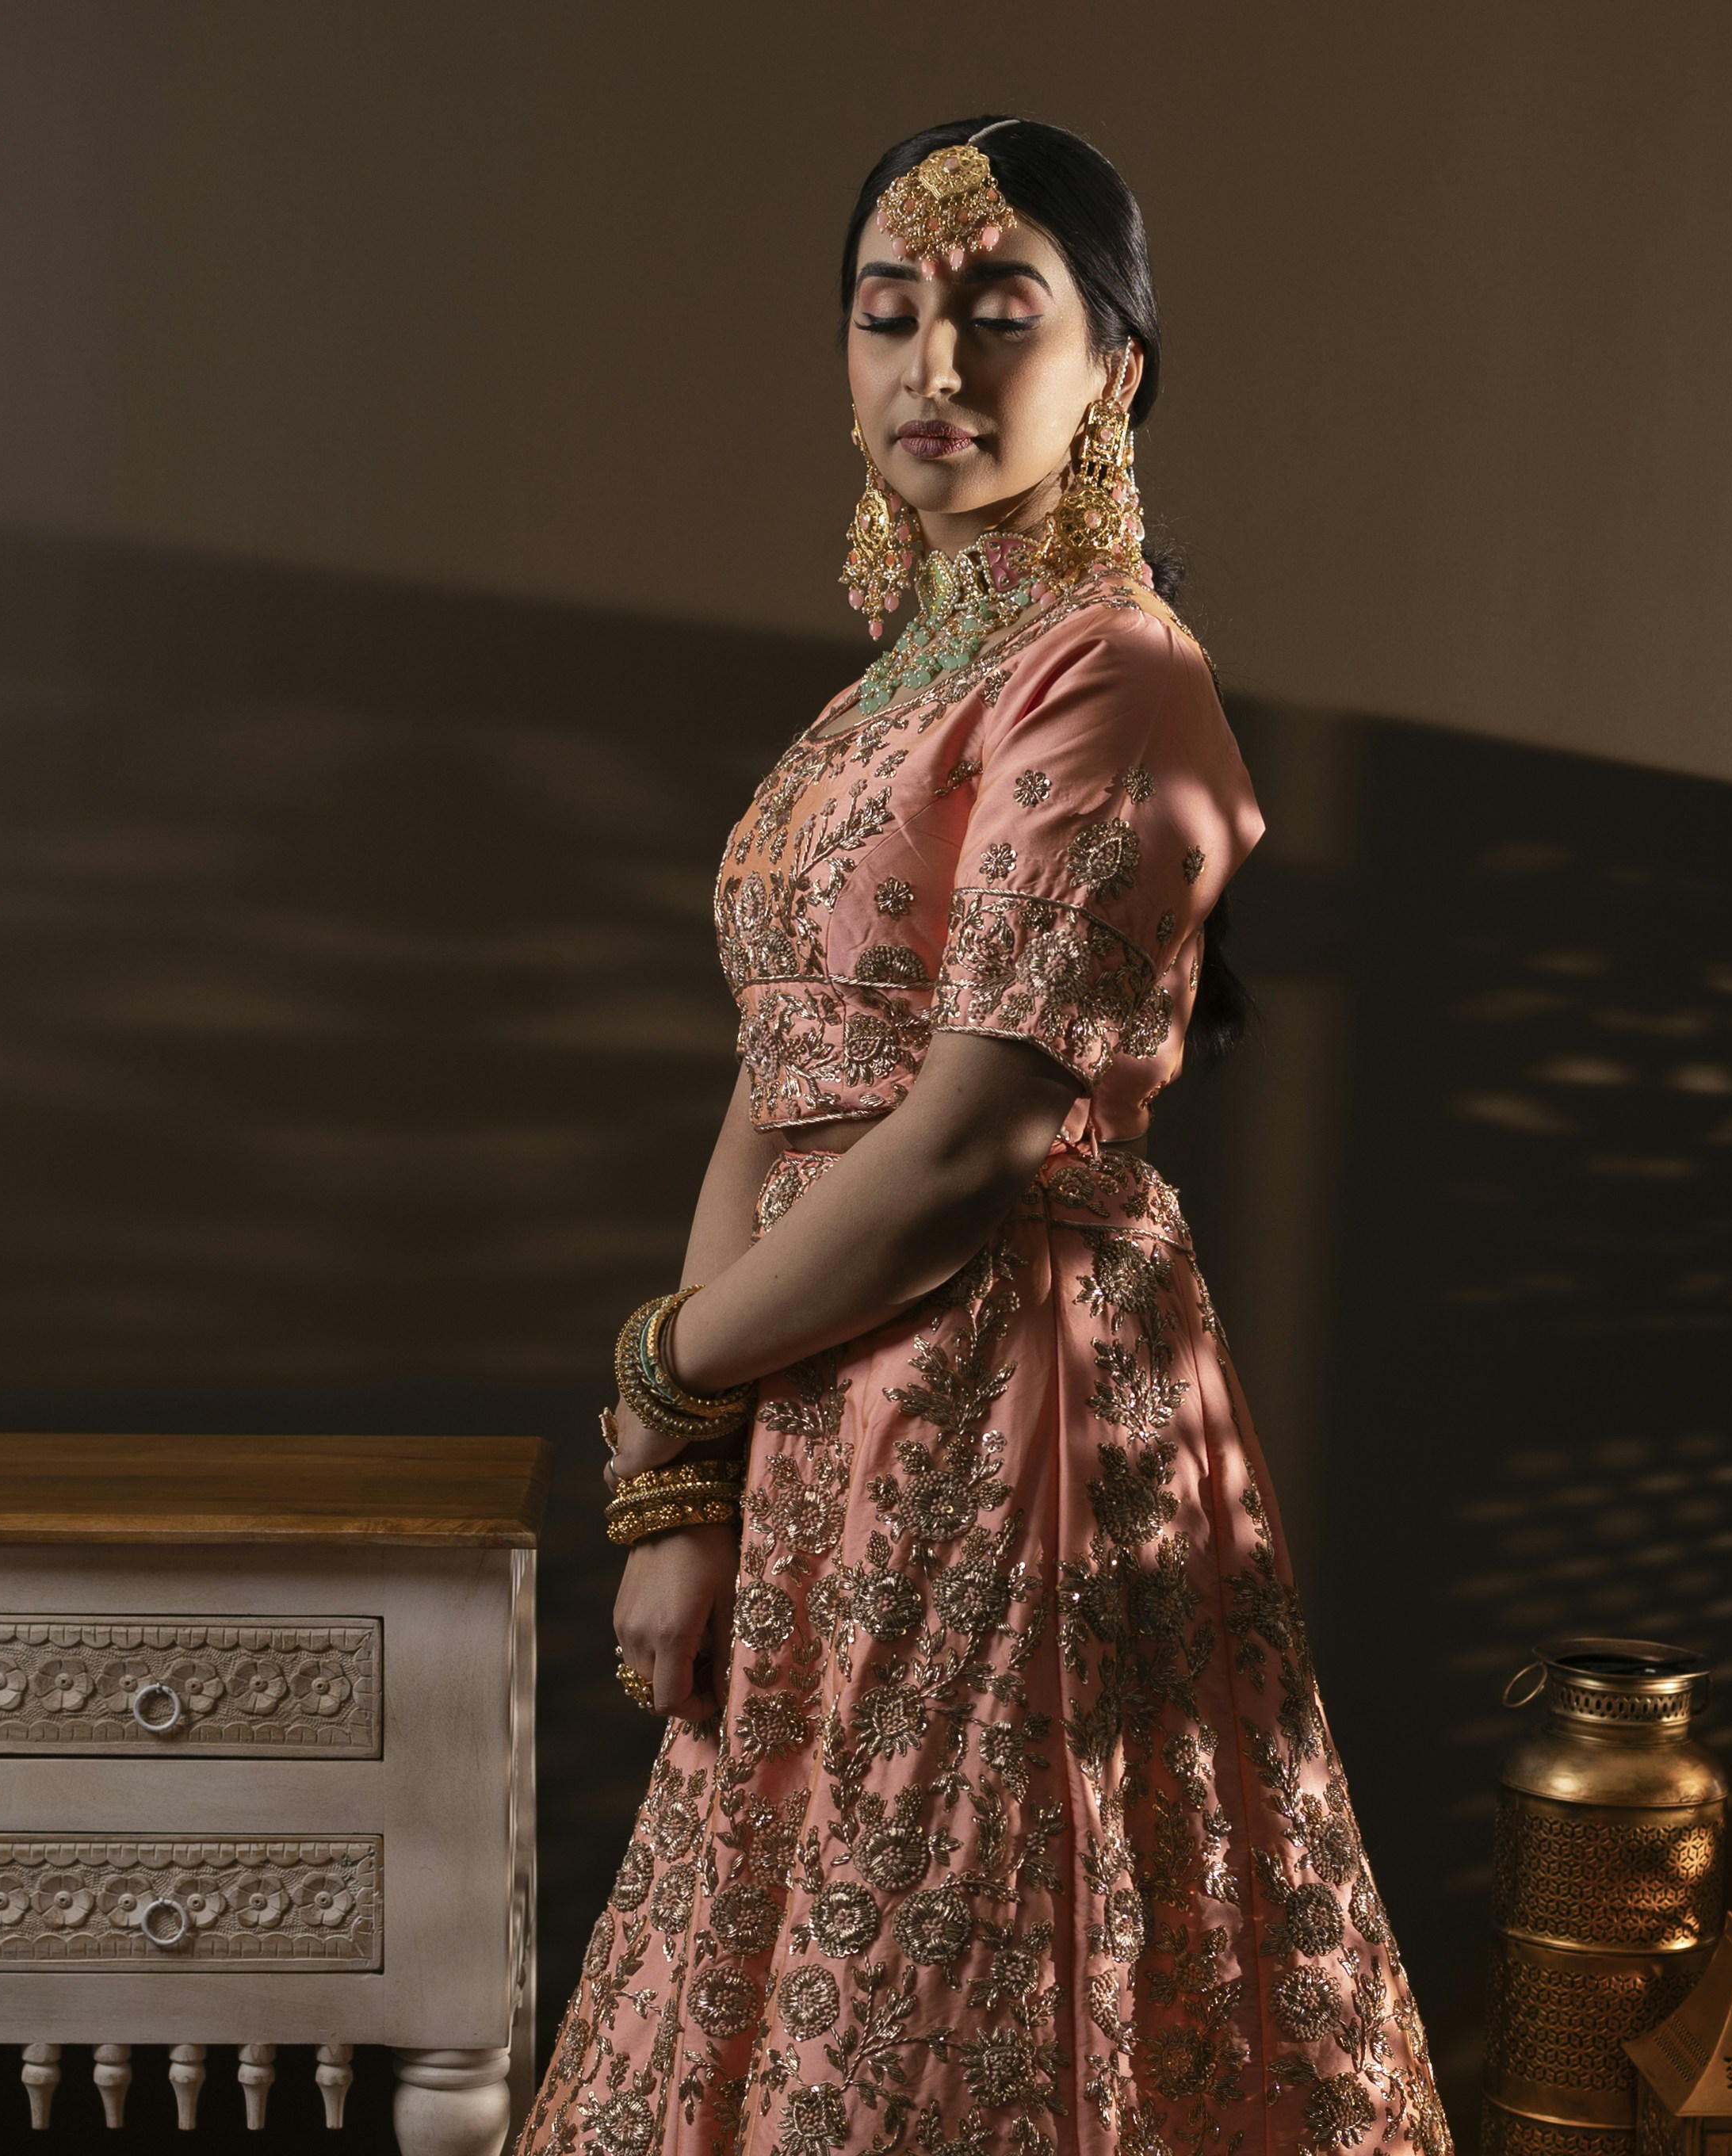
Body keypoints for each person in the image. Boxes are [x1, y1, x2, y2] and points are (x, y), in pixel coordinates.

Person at [525, 118, 1449, 2156]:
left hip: (999, 1403)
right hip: (809, 1403)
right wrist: (677, 1476)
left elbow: (964, 1145)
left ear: (1114, 373)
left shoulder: (1111, 679)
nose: (932, 362)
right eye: (888, 311)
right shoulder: (899, 688)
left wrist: (668, 1370)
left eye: (997, 310)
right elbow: (776, 1083)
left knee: (967, 1978)